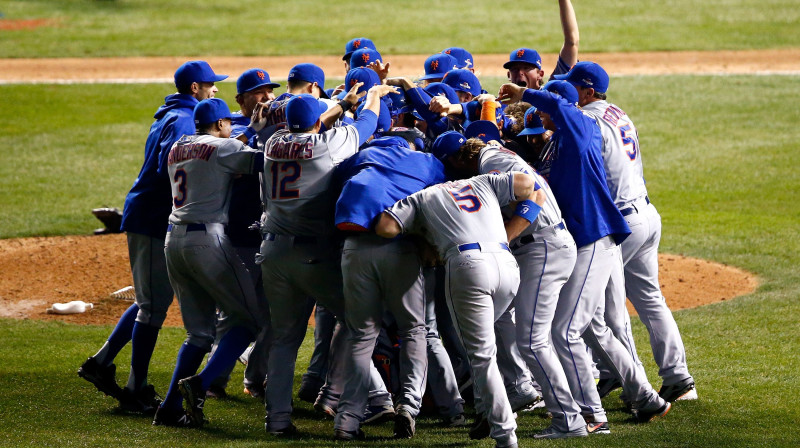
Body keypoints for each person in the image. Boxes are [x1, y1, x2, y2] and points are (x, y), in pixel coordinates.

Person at [499, 81, 671, 432]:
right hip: (590, 240)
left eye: (548, 106)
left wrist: (524, 93)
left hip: (593, 238)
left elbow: (558, 107)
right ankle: (646, 398)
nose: (542, 114)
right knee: (594, 326)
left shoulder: (578, 127)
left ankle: (592, 415)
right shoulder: (557, 140)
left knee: (564, 332)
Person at [78, 60, 226, 414]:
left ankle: (102, 361)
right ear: (195, 89)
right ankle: (135, 389)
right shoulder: (182, 120)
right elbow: (170, 164)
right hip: (150, 218)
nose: (216, 88)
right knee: (152, 307)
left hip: (154, 217)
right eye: (211, 85)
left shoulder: (175, 112)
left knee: (153, 301)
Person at [258, 84, 398, 436]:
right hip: (312, 254)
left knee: (285, 339)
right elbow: (365, 125)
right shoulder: (325, 145)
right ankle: (377, 400)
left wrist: (338, 105)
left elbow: (312, 124)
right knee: (359, 324)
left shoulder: (273, 143)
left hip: (273, 252)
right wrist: (373, 97)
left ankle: (276, 422)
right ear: (317, 124)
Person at [555, 61, 697, 402]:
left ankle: (638, 390)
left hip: (620, 225)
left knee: (608, 311)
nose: (569, 95)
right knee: (650, 300)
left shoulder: (588, 120)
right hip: (647, 214)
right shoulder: (618, 113)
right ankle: (678, 379)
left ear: (588, 92)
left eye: (573, 88)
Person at [375, 170, 546, 448]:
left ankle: (505, 434)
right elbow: (528, 184)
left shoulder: (422, 195)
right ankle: (485, 408)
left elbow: (385, 227)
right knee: (486, 343)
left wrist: (420, 227)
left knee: (481, 356)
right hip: (506, 263)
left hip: (467, 266)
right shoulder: (482, 181)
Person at [152, 97, 269, 427]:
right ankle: (199, 388)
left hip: (173, 241)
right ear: (219, 125)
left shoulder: (179, 146)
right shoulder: (223, 148)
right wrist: (260, 133)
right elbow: (266, 162)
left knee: (199, 334)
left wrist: (246, 133)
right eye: (228, 124)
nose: (232, 127)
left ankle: (170, 408)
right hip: (208, 241)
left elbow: (220, 151)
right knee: (249, 321)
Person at [331, 135, 447, 440]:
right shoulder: (426, 161)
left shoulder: (363, 157)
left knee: (361, 335)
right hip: (400, 248)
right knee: (413, 329)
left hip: (353, 248)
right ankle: (408, 406)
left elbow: (336, 183)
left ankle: (346, 421)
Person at [206, 68, 280, 400]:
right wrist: (255, 130)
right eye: (257, 93)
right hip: (238, 235)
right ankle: (213, 380)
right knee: (234, 313)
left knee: (274, 314)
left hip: (271, 235)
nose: (266, 98)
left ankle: (255, 377)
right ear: (240, 100)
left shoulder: (278, 128)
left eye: (269, 92)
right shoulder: (233, 129)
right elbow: (225, 157)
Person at [504, 0, 579, 89]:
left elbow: (571, 42)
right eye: (514, 69)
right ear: (509, 75)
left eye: (526, 68)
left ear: (540, 74)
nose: (520, 72)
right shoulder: (501, 101)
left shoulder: (550, 94)